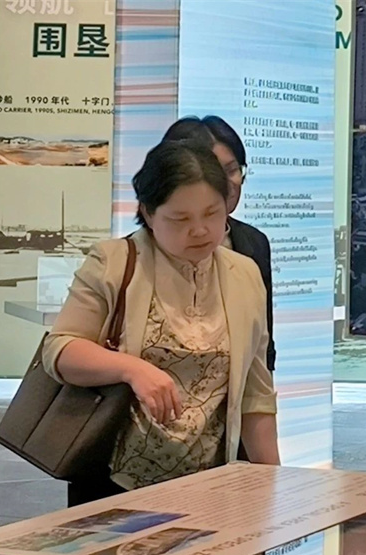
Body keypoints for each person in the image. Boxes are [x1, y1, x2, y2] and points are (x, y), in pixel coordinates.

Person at [43, 140, 280, 506]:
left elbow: (256, 393)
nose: (200, 230)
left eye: (212, 214)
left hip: (210, 488)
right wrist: (131, 369)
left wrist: (273, 489)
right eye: (180, 219)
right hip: (115, 484)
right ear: (149, 213)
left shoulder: (243, 274)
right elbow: (60, 351)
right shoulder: (114, 263)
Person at [162, 116, 276, 372]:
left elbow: (262, 346)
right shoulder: (132, 256)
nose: (227, 184)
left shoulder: (253, 243)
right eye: (213, 172)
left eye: (232, 170)